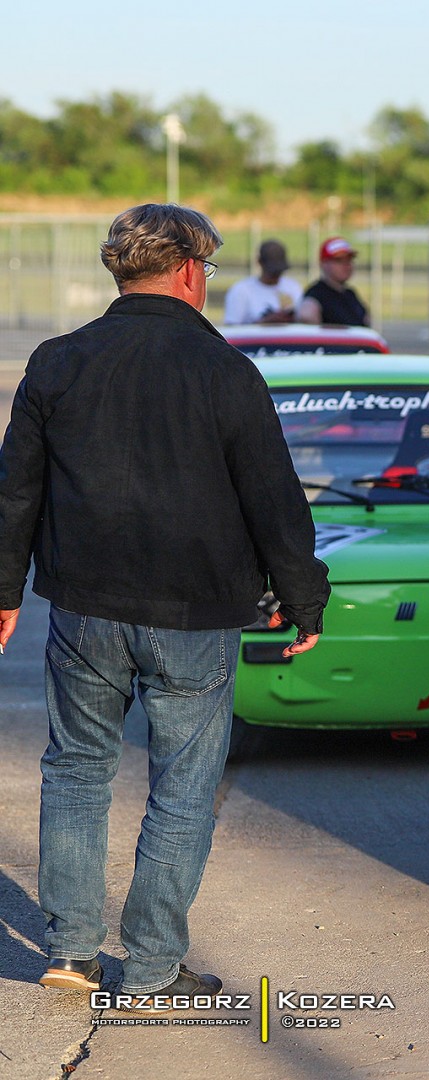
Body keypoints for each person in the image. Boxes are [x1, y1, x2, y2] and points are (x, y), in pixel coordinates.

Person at [0, 204, 329, 1011]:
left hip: (83, 609)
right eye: (209, 270)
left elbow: (15, 494)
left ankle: (71, 951)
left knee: (76, 771)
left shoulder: (57, 361)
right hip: (195, 616)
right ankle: (149, 969)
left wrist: (3, 594)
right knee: (183, 787)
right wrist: (303, 599)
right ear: (187, 270)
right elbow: (274, 501)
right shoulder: (225, 372)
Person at [221, 240, 300, 325]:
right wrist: (263, 323)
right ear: (260, 262)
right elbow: (231, 328)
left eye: (279, 271)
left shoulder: (293, 287)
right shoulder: (241, 290)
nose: (276, 276)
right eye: (272, 271)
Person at [297, 236, 369, 326]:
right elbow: (307, 320)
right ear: (323, 264)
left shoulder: (350, 294)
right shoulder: (316, 297)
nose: (346, 265)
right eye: (339, 260)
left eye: (349, 260)